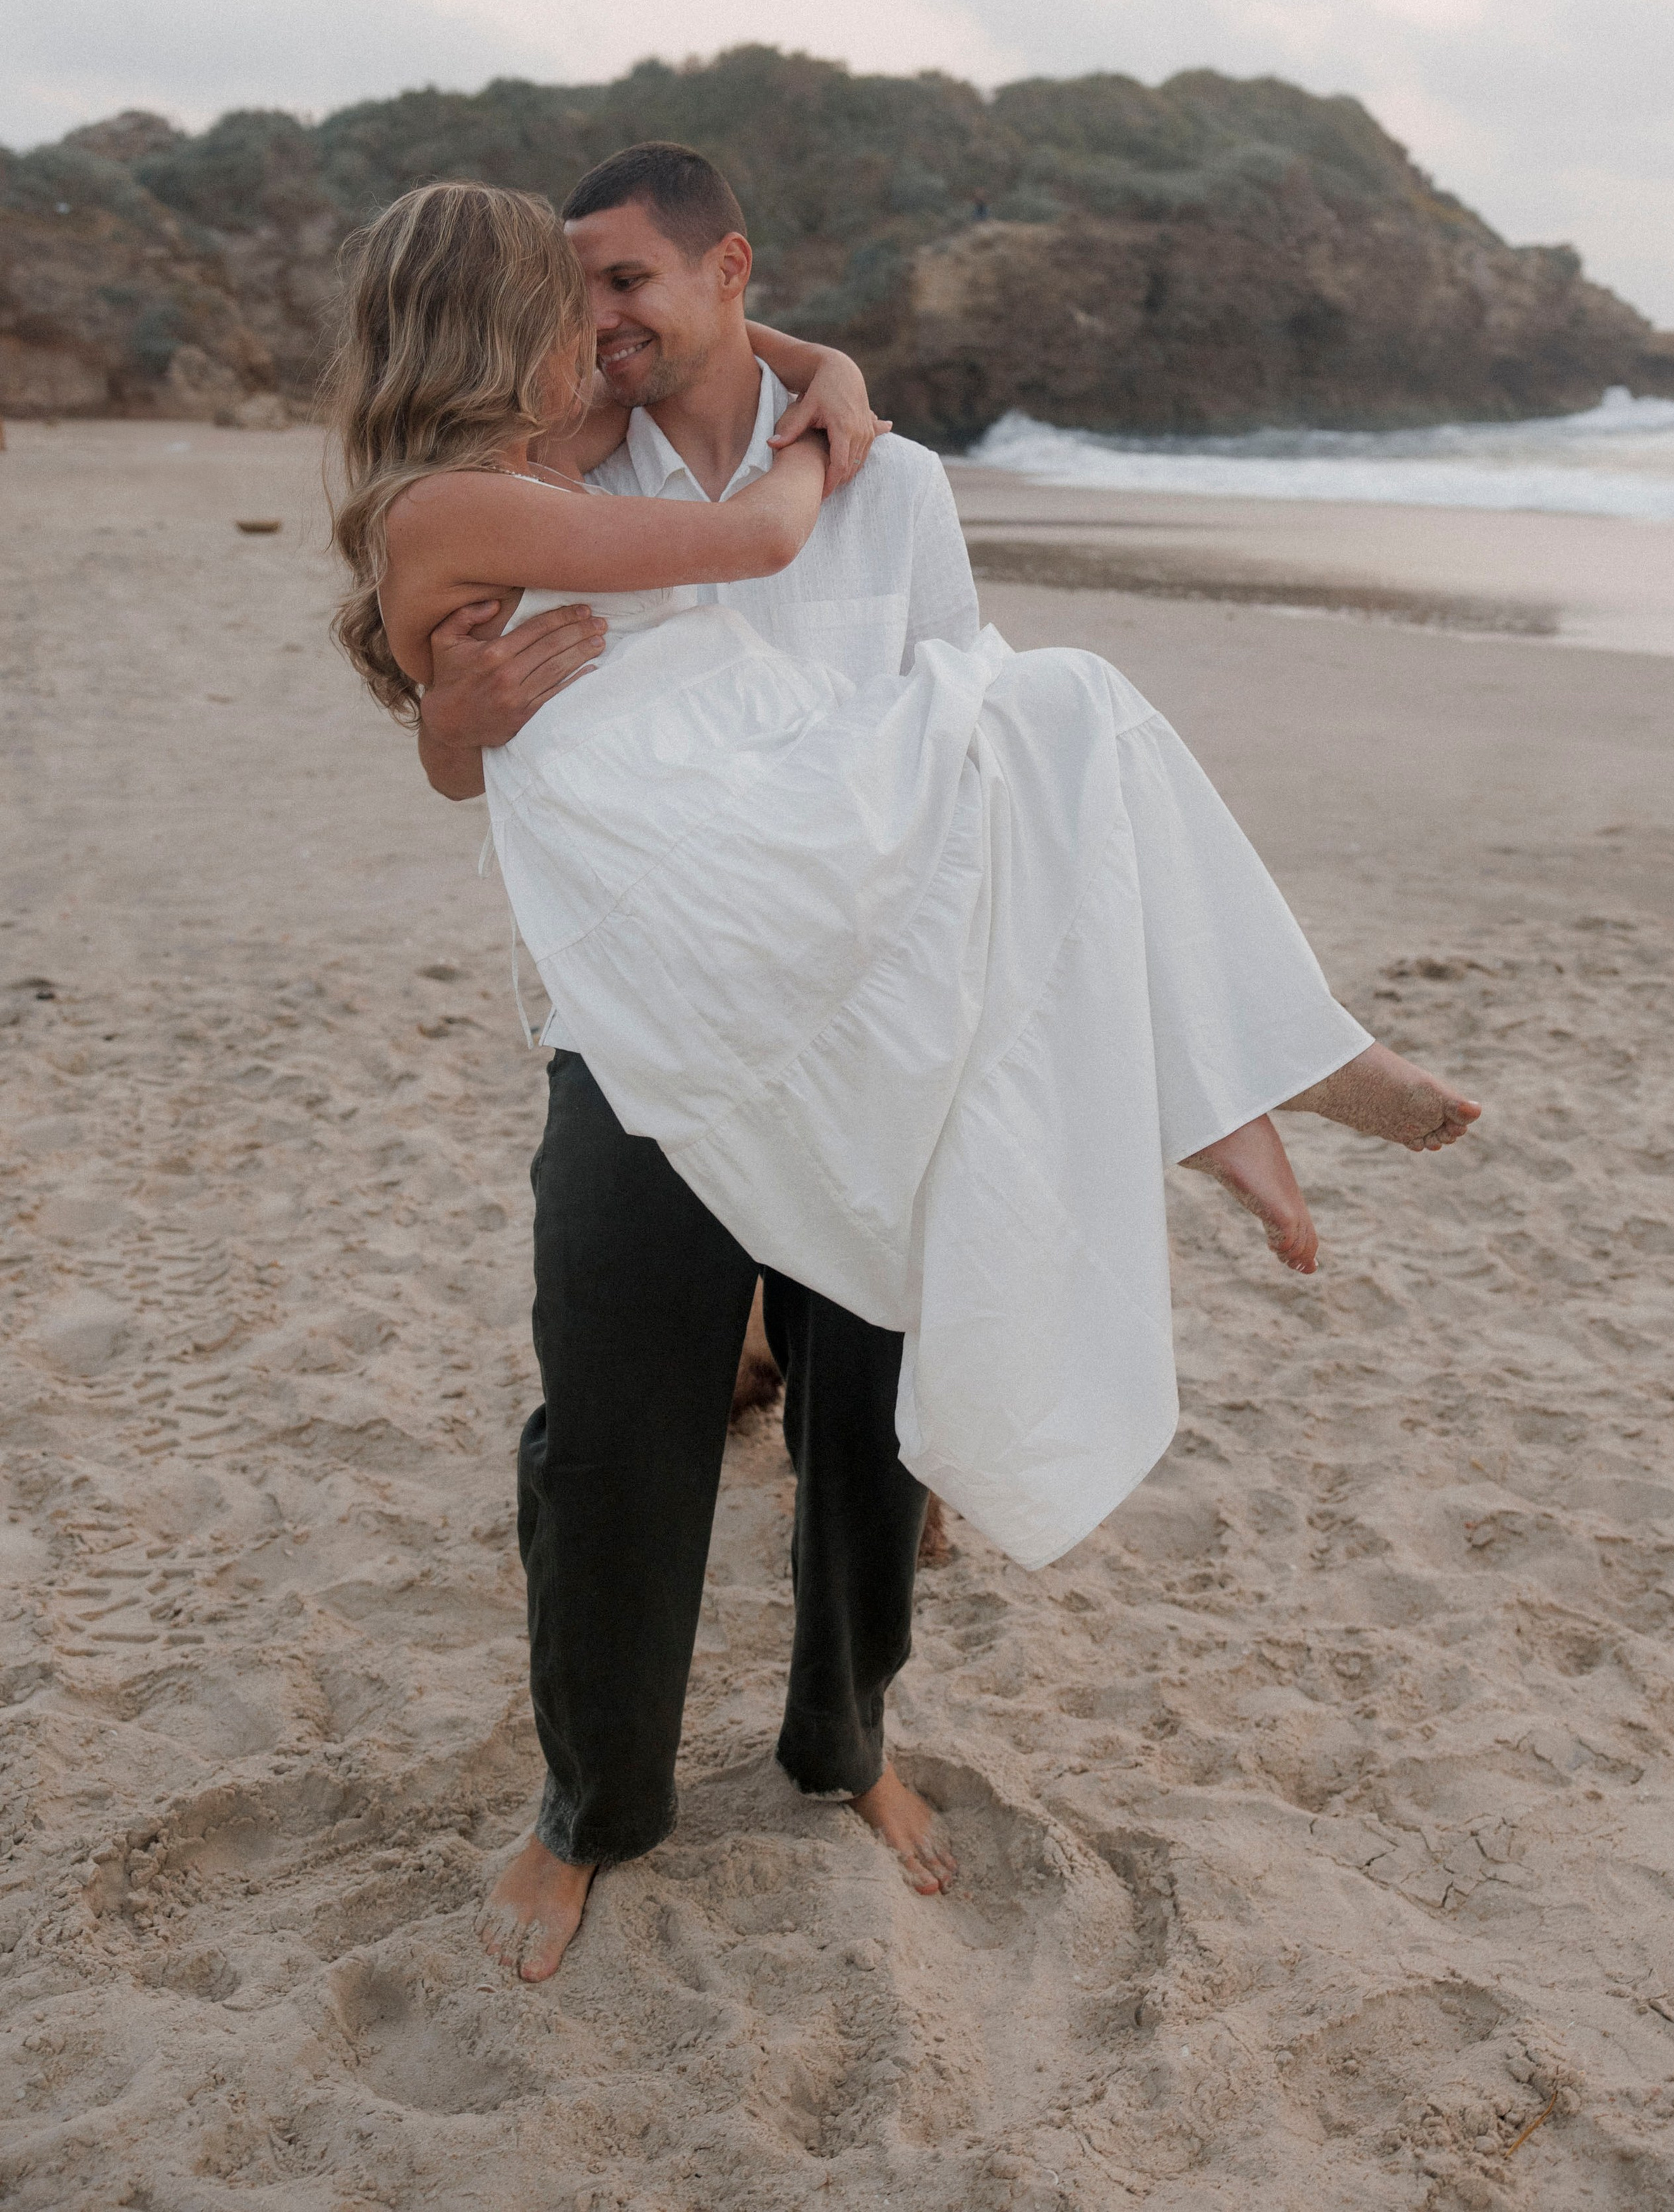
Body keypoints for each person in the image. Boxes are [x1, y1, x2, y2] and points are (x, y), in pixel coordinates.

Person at [328, 171, 1482, 1986]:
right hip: (642, 1033)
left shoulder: (903, 487)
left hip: (885, 1022)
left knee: (863, 1420)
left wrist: (834, 381)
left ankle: (845, 1747)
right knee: (615, 1437)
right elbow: (477, 761)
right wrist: (454, 727)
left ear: (727, 270)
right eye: (569, 296)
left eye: (628, 282)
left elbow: (966, 764)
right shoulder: (561, 471)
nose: (599, 323)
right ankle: (591, 1803)